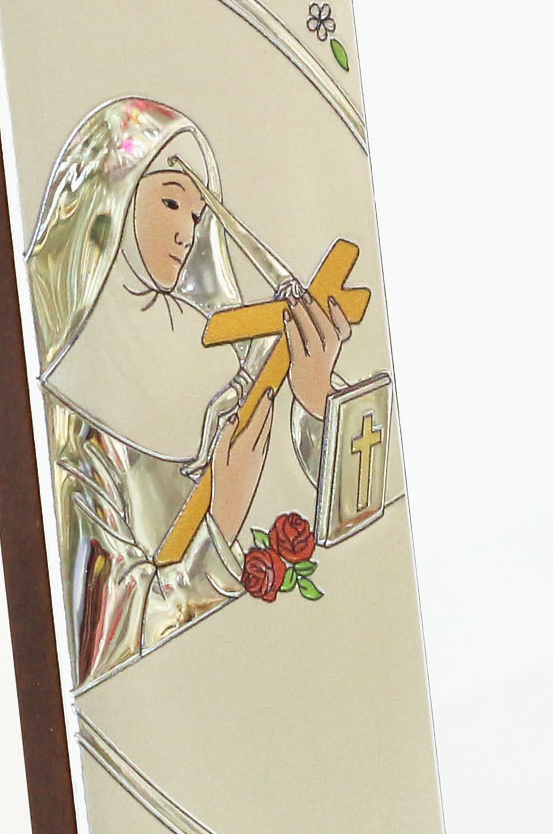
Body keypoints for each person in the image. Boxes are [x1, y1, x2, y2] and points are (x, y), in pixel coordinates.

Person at [27, 97, 351, 689]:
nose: (186, 231)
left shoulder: (228, 362)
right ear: (113, 203)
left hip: (288, 680)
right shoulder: (74, 420)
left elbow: (334, 514)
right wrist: (222, 520)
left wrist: (316, 400)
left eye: (198, 216)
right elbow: (107, 650)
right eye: (170, 202)